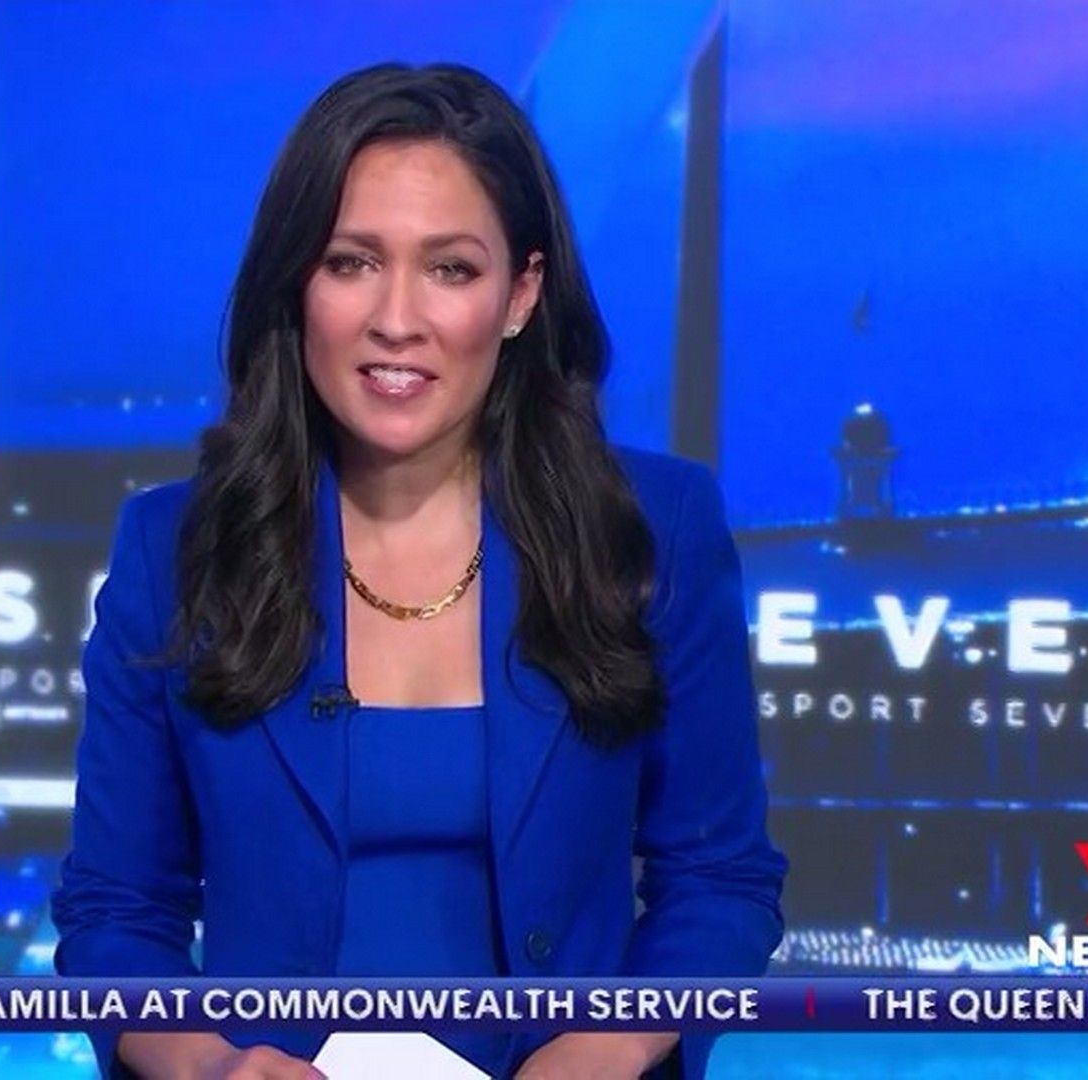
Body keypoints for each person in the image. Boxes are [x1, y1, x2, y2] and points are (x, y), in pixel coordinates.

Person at [51, 61, 787, 1080]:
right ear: (296, 282)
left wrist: (609, 1046)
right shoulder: (174, 550)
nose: (397, 318)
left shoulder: (653, 529)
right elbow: (115, 914)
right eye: (352, 262)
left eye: (451, 270)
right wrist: (212, 1065)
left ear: (521, 294)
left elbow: (719, 877)